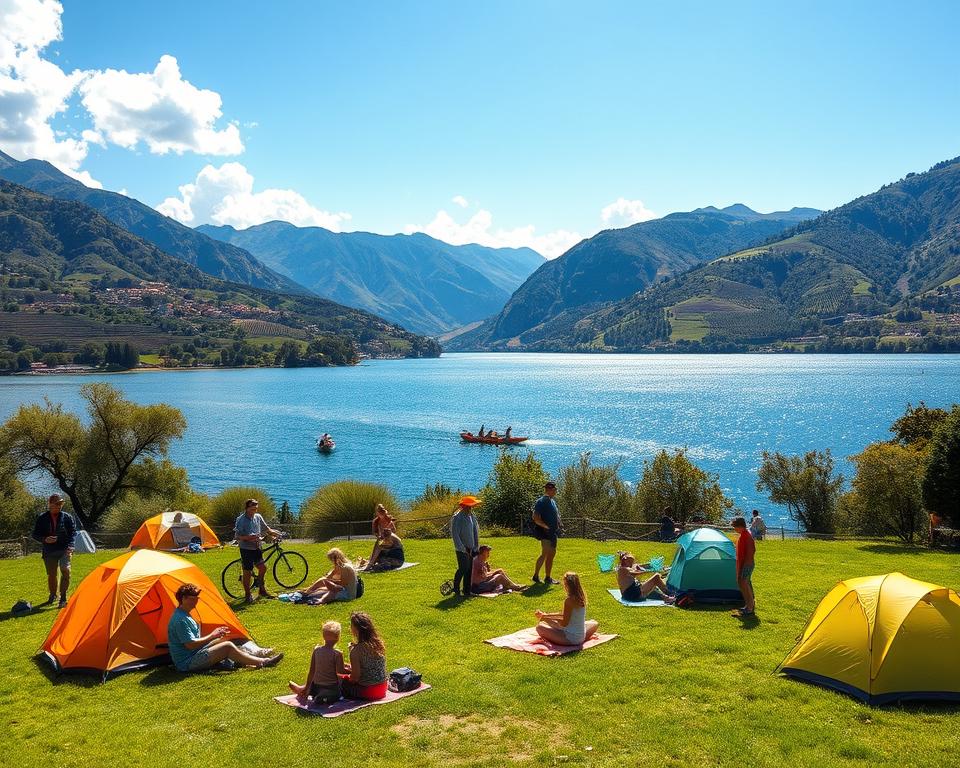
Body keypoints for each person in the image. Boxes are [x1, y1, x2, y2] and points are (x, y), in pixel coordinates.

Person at [167, 583, 282, 671]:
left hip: (194, 653)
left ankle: (249, 657)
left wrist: (216, 636)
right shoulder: (180, 619)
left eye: (197, 598)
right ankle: (263, 662)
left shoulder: (184, 614)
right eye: (193, 599)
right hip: (187, 662)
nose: (196, 602)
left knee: (224, 639)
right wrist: (212, 635)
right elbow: (190, 645)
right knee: (227, 646)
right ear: (183, 599)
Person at [32, 494, 76, 608]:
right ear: (50, 504)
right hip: (49, 551)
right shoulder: (42, 518)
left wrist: (71, 546)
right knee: (52, 574)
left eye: (60, 504)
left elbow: (72, 533)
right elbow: (35, 534)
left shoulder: (67, 517)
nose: (59, 506)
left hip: (64, 549)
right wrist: (45, 539)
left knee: (65, 570)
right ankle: (52, 595)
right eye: (56, 504)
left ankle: (63, 597)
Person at [234, 498, 281, 604]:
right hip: (246, 549)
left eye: (255, 509)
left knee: (262, 568)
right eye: (252, 509)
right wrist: (249, 538)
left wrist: (276, 534)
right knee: (247, 572)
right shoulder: (241, 520)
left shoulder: (258, 517)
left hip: (257, 547)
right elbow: (237, 536)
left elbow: (266, 529)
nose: (254, 511)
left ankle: (262, 590)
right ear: (246, 508)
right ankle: (248, 595)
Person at [288, 620, 347, 704]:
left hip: (316, 686)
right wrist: (351, 670)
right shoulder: (337, 654)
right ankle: (322, 697)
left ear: (323, 636)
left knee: (314, 688)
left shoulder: (317, 650)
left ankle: (304, 690)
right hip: (331, 687)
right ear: (338, 637)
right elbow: (340, 672)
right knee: (335, 693)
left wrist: (307, 686)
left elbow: (312, 671)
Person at [534, 572, 599, 646]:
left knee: (540, 627)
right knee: (594, 622)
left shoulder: (569, 600)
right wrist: (545, 615)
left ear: (567, 585)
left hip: (571, 638)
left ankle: (562, 640)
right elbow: (563, 614)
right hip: (581, 635)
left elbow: (564, 623)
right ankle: (581, 639)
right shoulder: (581, 597)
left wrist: (548, 618)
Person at [341, 612, 387, 700]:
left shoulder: (356, 651)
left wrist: (345, 676)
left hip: (369, 692)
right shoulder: (378, 644)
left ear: (356, 629)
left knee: (341, 681)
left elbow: (355, 678)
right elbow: (369, 665)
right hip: (382, 688)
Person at [532, 481, 560, 585]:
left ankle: (548, 577)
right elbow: (535, 517)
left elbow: (555, 514)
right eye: (554, 490)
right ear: (549, 490)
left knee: (551, 555)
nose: (555, 491)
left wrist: (559, 522)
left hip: (553, 532)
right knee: (545, 553)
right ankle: (536, 576)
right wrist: (545, 527)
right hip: (545, 532)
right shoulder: (541, 501)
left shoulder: (552, 501)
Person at [451, 495, 481, 596]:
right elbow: (455, 535)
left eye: (471, 506)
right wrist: (462, 548)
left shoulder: (471, 516)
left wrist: (476, 547)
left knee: (469, 570)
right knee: (463, 568)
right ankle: (456, 588)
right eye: (469, 506)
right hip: (462, 549)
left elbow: (475, 531)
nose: (471, 508)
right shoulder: (457, 517)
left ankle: (467, 591)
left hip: (471, 548)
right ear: (464, 506)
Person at [732, 516, 756, 617]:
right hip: (744, 563)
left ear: (740, 526)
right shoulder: (743, 535)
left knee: (744, 584)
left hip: (747, 564)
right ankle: (748, 605)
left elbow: (751, 551)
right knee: (744, 584)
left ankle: (750, 607)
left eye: (735, 527)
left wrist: (745, 565)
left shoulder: (746, 536)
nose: (734, 529)